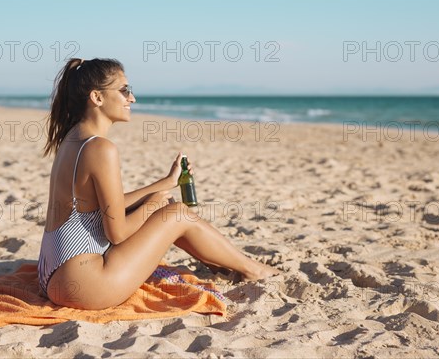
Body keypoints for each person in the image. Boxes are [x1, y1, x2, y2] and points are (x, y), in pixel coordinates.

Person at [38, 58, 278, 310]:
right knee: (177, 214)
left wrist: (164, 184)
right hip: (84, 287)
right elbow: (117, 233)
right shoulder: (101, 148)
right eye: (124, 90)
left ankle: (222, 264)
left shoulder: (73, 139)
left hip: (53, 277)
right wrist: (152, 205)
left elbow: (104, 205)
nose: (132, 99)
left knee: (165, 205)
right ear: (97, 97)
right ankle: (253, 270)